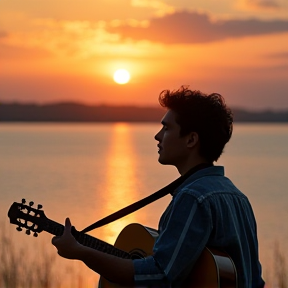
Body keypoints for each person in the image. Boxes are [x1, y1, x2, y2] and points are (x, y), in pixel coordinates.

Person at [52, 86, 265, 288]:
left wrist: (82, 253)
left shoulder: (192, 197)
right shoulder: (238, 197)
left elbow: (160, 276)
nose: (157, 135)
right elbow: (255, 280)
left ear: (191, 140)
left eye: (167, 127)